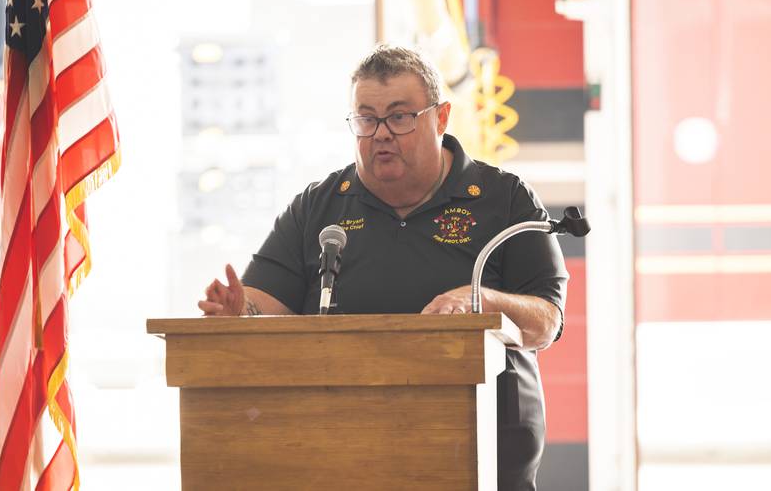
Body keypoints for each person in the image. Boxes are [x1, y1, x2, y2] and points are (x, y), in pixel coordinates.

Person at [198, 44, 568, 491]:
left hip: (482, 453)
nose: (381, 134)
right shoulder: (319, 206)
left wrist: (483, 300)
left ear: (441, 117)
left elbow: (547, 321)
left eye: (399, 116)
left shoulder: (504, 198)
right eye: (366, 119)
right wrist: (240, 316)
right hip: (342, 453)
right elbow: (263, 309)